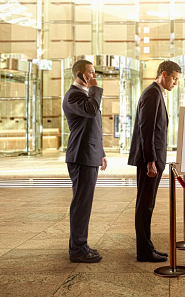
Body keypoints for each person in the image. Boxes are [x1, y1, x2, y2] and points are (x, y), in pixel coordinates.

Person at [128, 60, 182, 262]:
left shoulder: (156, 93)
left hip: (153, 158)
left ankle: (147, 246)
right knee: (145, 205)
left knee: (148, 204)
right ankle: (143, 251)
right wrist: (151, 160)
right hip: (149, 160)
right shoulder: (152, 93)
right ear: (164, 74)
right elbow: (147, 129)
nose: (175, 83)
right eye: (174, 78)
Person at [62, 59, 107, 263]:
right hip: (80, 156)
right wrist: (95, 88)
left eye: (94, 72)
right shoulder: (73, 96)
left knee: (85, 203)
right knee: (81, 203)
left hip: (90, 154)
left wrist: (102, 153)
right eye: (90, 73)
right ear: (79, 74)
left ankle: (81, 243)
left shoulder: (86, 96)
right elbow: (90, 111)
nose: (93, 76)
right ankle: (78, 249)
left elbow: (93, 126)